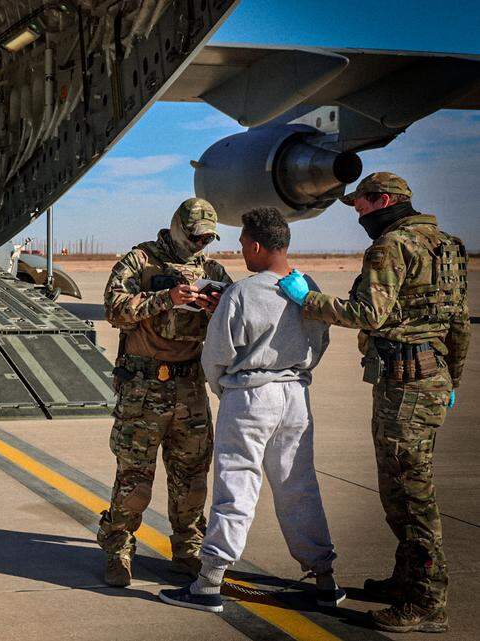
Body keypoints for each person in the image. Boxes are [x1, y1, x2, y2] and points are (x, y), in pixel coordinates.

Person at [279, 172, 469, 633]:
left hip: (404, 387)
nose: (359, 216)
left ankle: (427, 601)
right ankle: (407, 579)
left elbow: (368, 314)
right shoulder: (449, 245)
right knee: (403, 488)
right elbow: (459, 321)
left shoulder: (391, 246)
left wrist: (310, 299)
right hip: (431, 377)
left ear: (383, 200)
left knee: (408, 493)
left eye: (361, 207)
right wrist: (452, 380)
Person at [158, 208, 344, 613]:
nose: (242, 253)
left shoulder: (241, 293)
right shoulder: (306, 288)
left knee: (236, 489)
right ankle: (324, 578)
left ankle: (208, 583)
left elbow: (217, 355)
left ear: (257, 245)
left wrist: (225, 390)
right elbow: (321, 340)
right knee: (298, 486)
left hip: (250, 395)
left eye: (243, 245)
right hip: (295, 394)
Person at [99, 197, 231, 587]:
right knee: (134, 477)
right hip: (143, 386)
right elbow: (114, 308)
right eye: (195, 236)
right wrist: (165, 299)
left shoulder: (213, 270)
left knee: (191, 476)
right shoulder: (140, 261)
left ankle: (188, 550)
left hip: (189, 387)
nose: (200, 244)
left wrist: (215, 307)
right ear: (177, 226)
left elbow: (233, 323)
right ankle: (119, 549)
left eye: (207, 238)